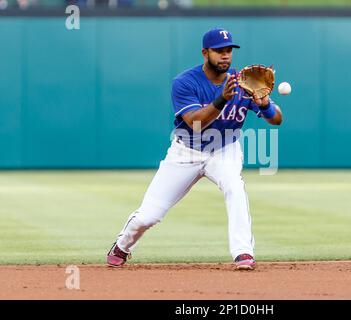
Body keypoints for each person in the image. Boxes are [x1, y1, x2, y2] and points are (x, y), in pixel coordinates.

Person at [107, 28, 283, 270]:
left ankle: (243, 252)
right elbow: (196, 123)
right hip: (186, 152)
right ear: (205, 52)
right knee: (149, 216)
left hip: (225, 150)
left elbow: (277, 120)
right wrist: (221, 99)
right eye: (219, 50)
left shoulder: (244, 81)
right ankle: (122, 245)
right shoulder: (185, 82)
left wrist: (264, 106)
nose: (225, 56)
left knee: (234, 188)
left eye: (229, 50)